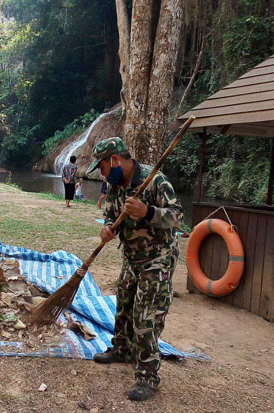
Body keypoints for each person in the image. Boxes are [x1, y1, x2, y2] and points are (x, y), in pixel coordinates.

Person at [86, 137, 183, 401]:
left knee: (145, 316)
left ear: (115, 160)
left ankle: (147, 377)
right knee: (124, 305)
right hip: (132, 258)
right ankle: (121, 349)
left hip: (158, 258)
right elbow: (110, 215)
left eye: (103, 167)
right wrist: (108, 228)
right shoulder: (115, 185)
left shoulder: (155, 180)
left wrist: (148, 211)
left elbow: (177, 216)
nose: (102, 173)